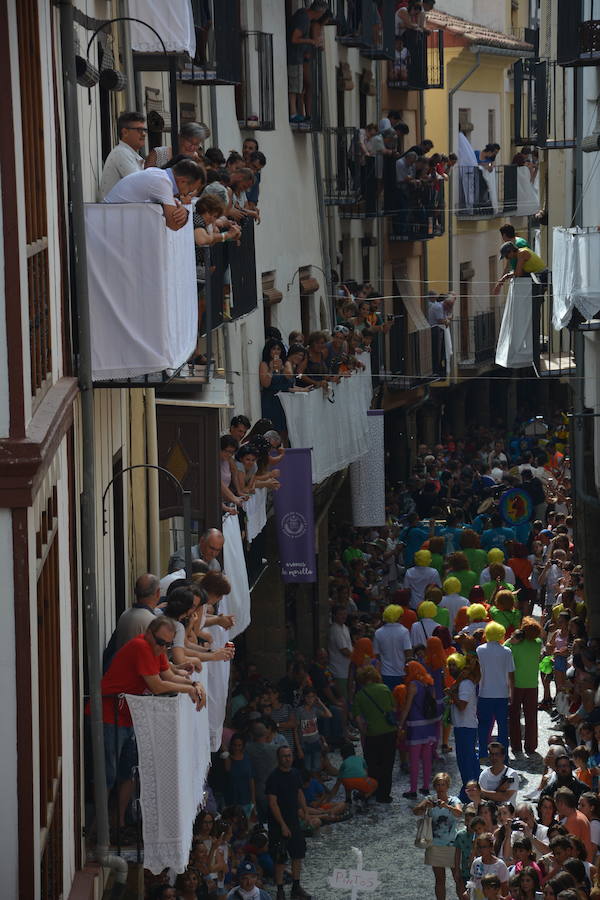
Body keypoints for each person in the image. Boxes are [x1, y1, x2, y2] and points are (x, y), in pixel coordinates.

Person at [100, 617, 205, 828]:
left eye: (167, 644)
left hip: (128, 716)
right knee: (108, 775)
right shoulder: (141, 646)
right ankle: (101, 826)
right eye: (160, 642)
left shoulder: (154, 648)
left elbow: (167, 674)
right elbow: (157, 686)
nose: (163, 647)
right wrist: (189, 689)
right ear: (148, 633)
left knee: (127, 772)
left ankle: (118, 824)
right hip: (110, 716)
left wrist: (194, 683)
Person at [104, 157, 205, 231]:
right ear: (182, 181)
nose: (187, 195)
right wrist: (183, 212)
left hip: (110, 219)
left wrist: (185, 213)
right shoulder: (163, 182)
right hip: (109, 222)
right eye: (189, 190)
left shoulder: (160, 175)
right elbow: (174, 224)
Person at [265, 746, 312, 900]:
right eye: (284, 756)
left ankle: (296, 886)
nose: (288, 758)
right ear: (279, 758)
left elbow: (299, 792)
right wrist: (282, 825)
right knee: (280, 857)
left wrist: (305, 811)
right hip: (278, 824)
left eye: (289, 756)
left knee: (297, 854)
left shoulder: (295, 774)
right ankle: (280, 890)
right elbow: (273, 803)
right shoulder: (273, 777)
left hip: (294, 821)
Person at [412, 773, 463, 900]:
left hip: (452, 844)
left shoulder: (454, 800)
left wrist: (446, 806)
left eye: (443, 784)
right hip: (434, 844)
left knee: (458, 877)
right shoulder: (430, 799)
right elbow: (416, 811)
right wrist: (425, 806)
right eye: (438, 785)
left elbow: (459, 813)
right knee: (439, 880)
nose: (441, 787)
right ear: (435, 786)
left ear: (447, 786)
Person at [352, 665, 397, 803]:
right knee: (387, 764)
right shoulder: (384, 689)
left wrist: (364, 732)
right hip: (389, 732)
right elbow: (393, 708)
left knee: (372, 764)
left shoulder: (359, 695)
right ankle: (384, 796)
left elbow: (358, 719)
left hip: (372, 734)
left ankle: (373, 790)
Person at [398, 660, 438, 799]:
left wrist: (400, 724)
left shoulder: (413, 685)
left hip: (415, 727)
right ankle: (426, 787)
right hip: (428, 726)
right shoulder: (428, 684)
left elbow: (407, 707)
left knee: (414, 760)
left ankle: (413, 789)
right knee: (427, 758)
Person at [476, 622, 514, 756]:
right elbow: (511, 674)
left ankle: (482, 753)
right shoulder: (506, 651)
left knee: (483, 726)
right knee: (503, 728)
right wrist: (511, 693)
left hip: (484, 693)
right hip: (501, 694)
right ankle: (504, 756)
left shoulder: (480, 650)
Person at [287, 0, 328, 123]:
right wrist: (311, 41)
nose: (321, 16)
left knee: (297, 87)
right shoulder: (304, 19)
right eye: (322, 13)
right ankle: (293, 114)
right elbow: (294, 39)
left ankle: (296, 113)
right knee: (294, 87)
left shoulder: (303, 15)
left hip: (297, 56)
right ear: (319, 12)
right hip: (294, 57)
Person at [506, 619, 543, 754]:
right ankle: (531, 746)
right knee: (531, 717)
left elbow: (504, 647)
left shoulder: (514, 645)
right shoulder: (538, 644)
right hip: (532, 685)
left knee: (514, 716)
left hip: (516, 685)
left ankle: (516, 746)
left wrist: (512, 639)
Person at [447, 652, 480, 802]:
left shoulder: (465, 684)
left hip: (466, 727)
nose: (450, 668)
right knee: (468, 761)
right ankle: (470, 790)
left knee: (465, 761)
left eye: (454, 665)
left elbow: (462, 705)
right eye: (449, 665)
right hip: (463, 726)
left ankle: (468, 793)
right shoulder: (462, 682)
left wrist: (451, 695)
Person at [99, 111, 146, 199]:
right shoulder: (121, 153)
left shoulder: (128, 153)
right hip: (116, 211)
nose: (143, 134)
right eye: (139, 130)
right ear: (125, 132)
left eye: (144, 130)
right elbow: (141, 187)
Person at [372, 603, 413, 689]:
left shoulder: (378, 632)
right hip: (401, 672)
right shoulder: (404, 631)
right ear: (398, 617)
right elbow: (408, 653)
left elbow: (377, 654)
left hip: (385, 673)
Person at [145, 120, 210, 168]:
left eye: (196, 144)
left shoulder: (197, 160)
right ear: (180, 137)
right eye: (190, 141)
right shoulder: (158, 154)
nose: (192, 147)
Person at [554, 788, 593, 860]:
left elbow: (566, 849)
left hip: (579, 866)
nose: (555, 807)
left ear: (561, 803)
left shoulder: (574, 820)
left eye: (556, 803)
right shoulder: (578, 816)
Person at [469, 833, 510, 900]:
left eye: (484, 847)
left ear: (491, 847)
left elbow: (504, 887)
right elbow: (473, 881)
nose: (481, 850)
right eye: (479, 847)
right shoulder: (476, 862)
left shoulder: (500, 865)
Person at [328, 605, 353, 699]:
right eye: (340, 614)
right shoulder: (335, 630)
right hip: (339, 671)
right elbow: (344, 650)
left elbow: (349, 647)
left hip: (347, 669)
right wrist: (357, 658)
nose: (343, 616)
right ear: (334, 616)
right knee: (343, 698)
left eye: (345, 614)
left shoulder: (345, 628)